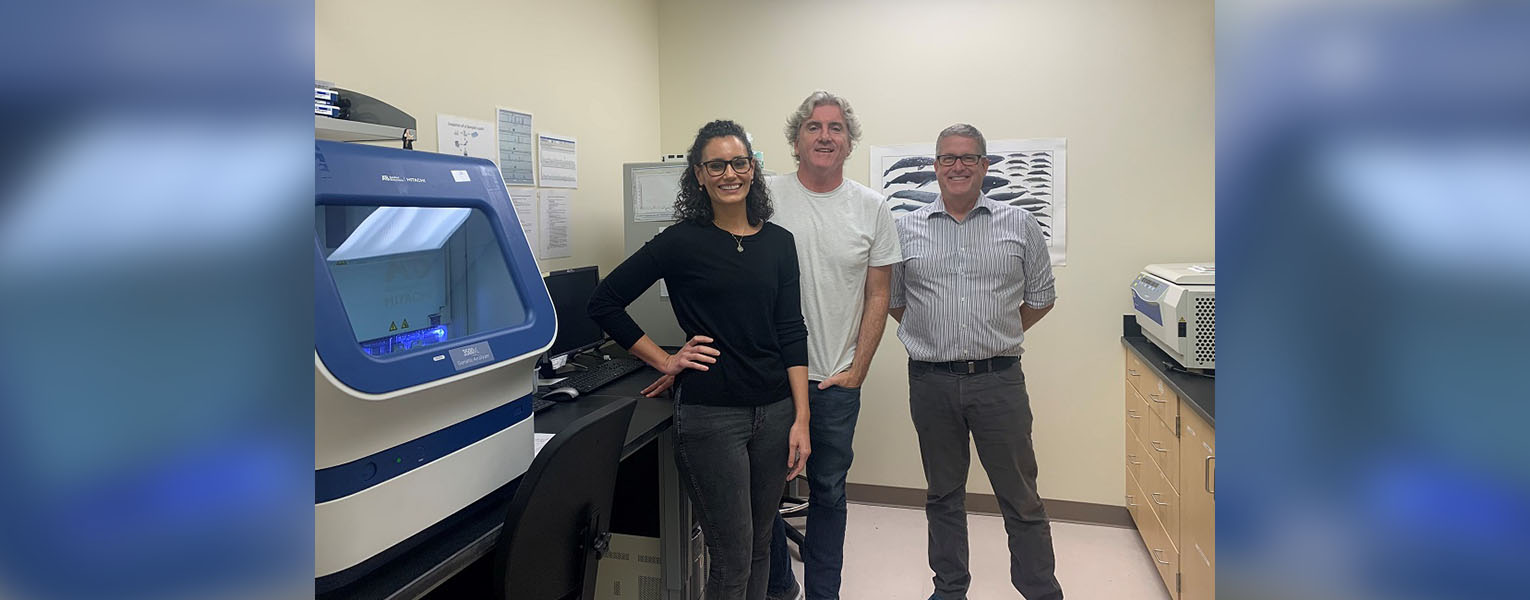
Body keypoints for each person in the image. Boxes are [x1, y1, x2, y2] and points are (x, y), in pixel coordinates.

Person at [587, 119, 811, 600]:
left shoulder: (779, 242)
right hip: (712, 417)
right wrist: (665, 360)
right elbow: (604, 302)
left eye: (739, 163)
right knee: (731, 559)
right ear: (699, 174)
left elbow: (791, 331)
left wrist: (801, 419)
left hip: (775, 413)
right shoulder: (681, 241)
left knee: (759, 548)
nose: (730, 174)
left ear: (753, 169)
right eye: (717, 165)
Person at [888, 124, 1063, 600]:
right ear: (935, 166)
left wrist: (995, 333)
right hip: (931, 381)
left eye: (969, 157)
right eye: (948, 157)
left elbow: (1041, 297)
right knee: (943, 496)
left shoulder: (1019, 224)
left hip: (998, 380)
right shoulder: (905, 229)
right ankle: (949, 590)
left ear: (985, 165)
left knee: (1021, 498)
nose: (958, 166)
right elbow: (896, 301)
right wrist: (937, 335)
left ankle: (1040, 591)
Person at [763, 91, 901, 600]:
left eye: (836, 128)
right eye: (814, 127)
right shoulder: (764, 196)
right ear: (796, 140)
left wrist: (859, 368)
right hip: (770, 378)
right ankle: (781, 586)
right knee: (762, 494)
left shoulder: (872, 207)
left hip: (834, 381)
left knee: (828, 491)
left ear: (849, 141)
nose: (825, 136)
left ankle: (824, 593)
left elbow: (879, 293)